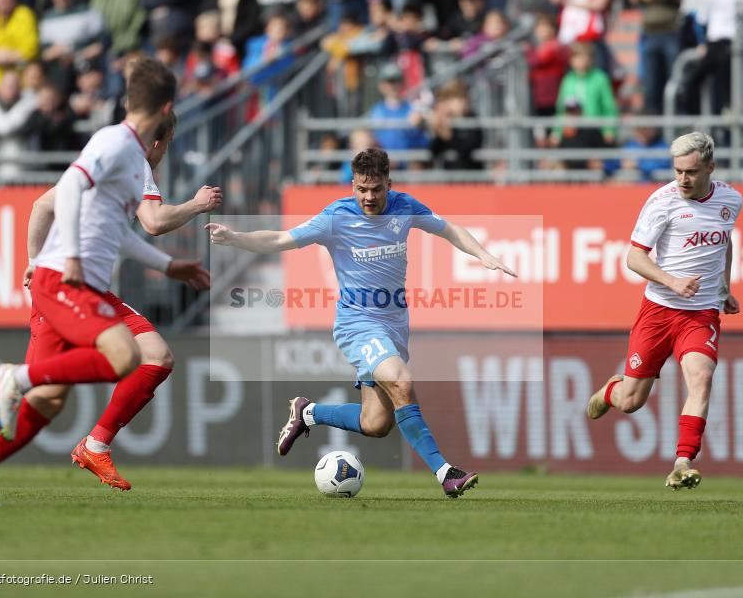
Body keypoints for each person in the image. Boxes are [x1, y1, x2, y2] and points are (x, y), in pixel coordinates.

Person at [0, 111, 221, 494]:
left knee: (155, 355)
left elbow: (42, 206)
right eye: (167, 144)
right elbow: (153, 222)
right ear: (157, 142)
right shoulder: (134, 162)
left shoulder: (102, 158)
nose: (165, 152)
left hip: (84, 287)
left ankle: (93, 443)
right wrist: (197, 204)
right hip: (67, 287)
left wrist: (33, 262)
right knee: (40, 396)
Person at [206, 147, 516, 497]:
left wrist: (484, 255)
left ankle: (308, 413)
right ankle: (445, 473)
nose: (369, 197)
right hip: (358, 323)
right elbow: (280, 239)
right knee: (402, 383)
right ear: (353, 185)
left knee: (376, 423)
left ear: (388, 184)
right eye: (361, 189)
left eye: (376, 189)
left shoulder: (405, 206)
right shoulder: (335, 217)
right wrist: (235, 238)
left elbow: (449, 230)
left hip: (395, 325)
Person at [585, 131, 743, 491]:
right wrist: (671, 281)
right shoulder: (662, 202)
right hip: (659, 310)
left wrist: (725, 288)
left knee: (701, 379)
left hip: (701, 313)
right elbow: (634, 256)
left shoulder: (731, 200)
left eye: (691, 172)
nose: (683, 179)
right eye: (677, 171)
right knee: (631, 402)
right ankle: (612, 390)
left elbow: (725, 240)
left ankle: (682, 462)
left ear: (710, 169)